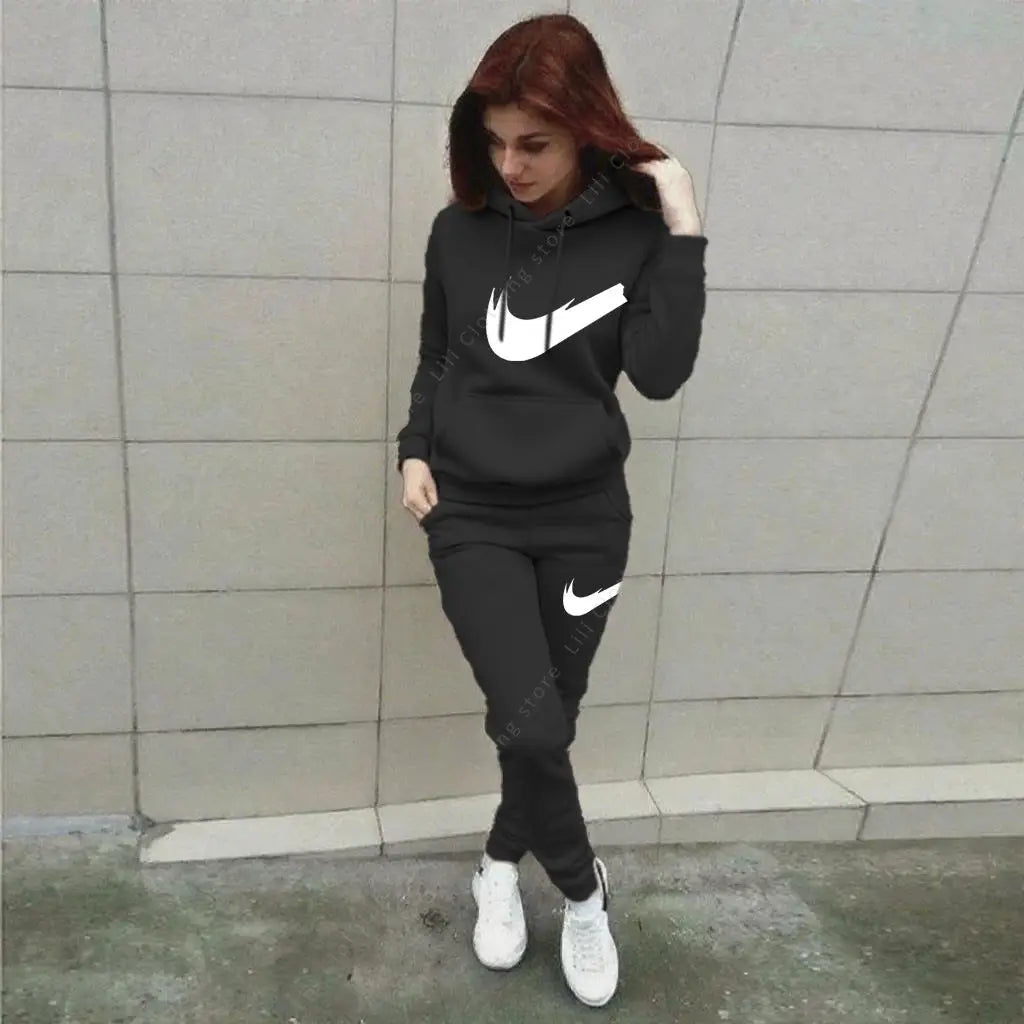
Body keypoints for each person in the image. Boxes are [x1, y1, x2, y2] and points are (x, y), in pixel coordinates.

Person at [395, 12, 707, 1009]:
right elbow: (437, 355)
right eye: (494, 142)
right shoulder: (459, 231)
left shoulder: (638, 238)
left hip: (586, 521)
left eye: (534, 142)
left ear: (585, 128)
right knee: (530, 726)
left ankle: (499, 862)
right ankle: (582, 893)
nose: (510, 165)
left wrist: (683, 228)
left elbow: (659, 374)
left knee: (544, 725)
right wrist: (412, 446)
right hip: (472, 515)